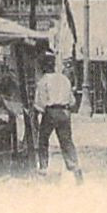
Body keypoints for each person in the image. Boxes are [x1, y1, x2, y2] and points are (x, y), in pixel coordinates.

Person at [33, 54, 83, 184]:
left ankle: (43, 169)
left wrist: (36, 116)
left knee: (43, 140)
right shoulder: (64, 79)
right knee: (67, 142)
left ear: (43, 66)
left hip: (51, 112)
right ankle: (76, 171)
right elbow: (72, 102)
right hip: (65, 112)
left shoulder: (43, 81)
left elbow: (40, 103)